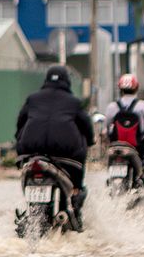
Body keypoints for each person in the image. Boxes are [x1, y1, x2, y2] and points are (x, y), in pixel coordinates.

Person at [14, 65, 96, 217]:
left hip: (31, 150)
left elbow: (20, 123)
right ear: (67, 81)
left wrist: (19, 140)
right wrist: (90, 141)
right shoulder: (74, 102)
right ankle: (76, 192)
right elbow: (86, 126)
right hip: (65, 154)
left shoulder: (32, 99)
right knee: (77, 177)